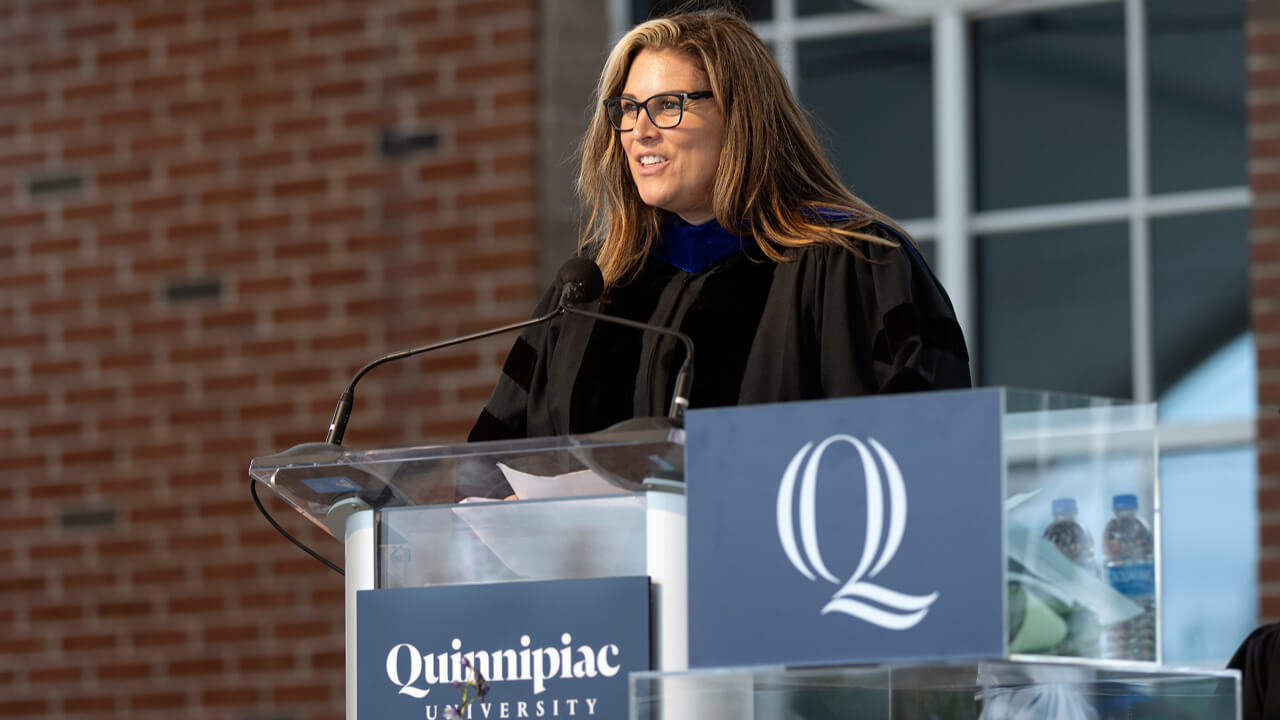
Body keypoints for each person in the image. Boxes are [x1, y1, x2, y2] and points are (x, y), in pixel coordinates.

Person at [468, 6, 970, 444]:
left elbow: (916, 451)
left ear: (740, 115)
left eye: (667, 105)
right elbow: (491, 468)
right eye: (627, 109)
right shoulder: (592, 293)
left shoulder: (850, 265)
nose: (638, 130)